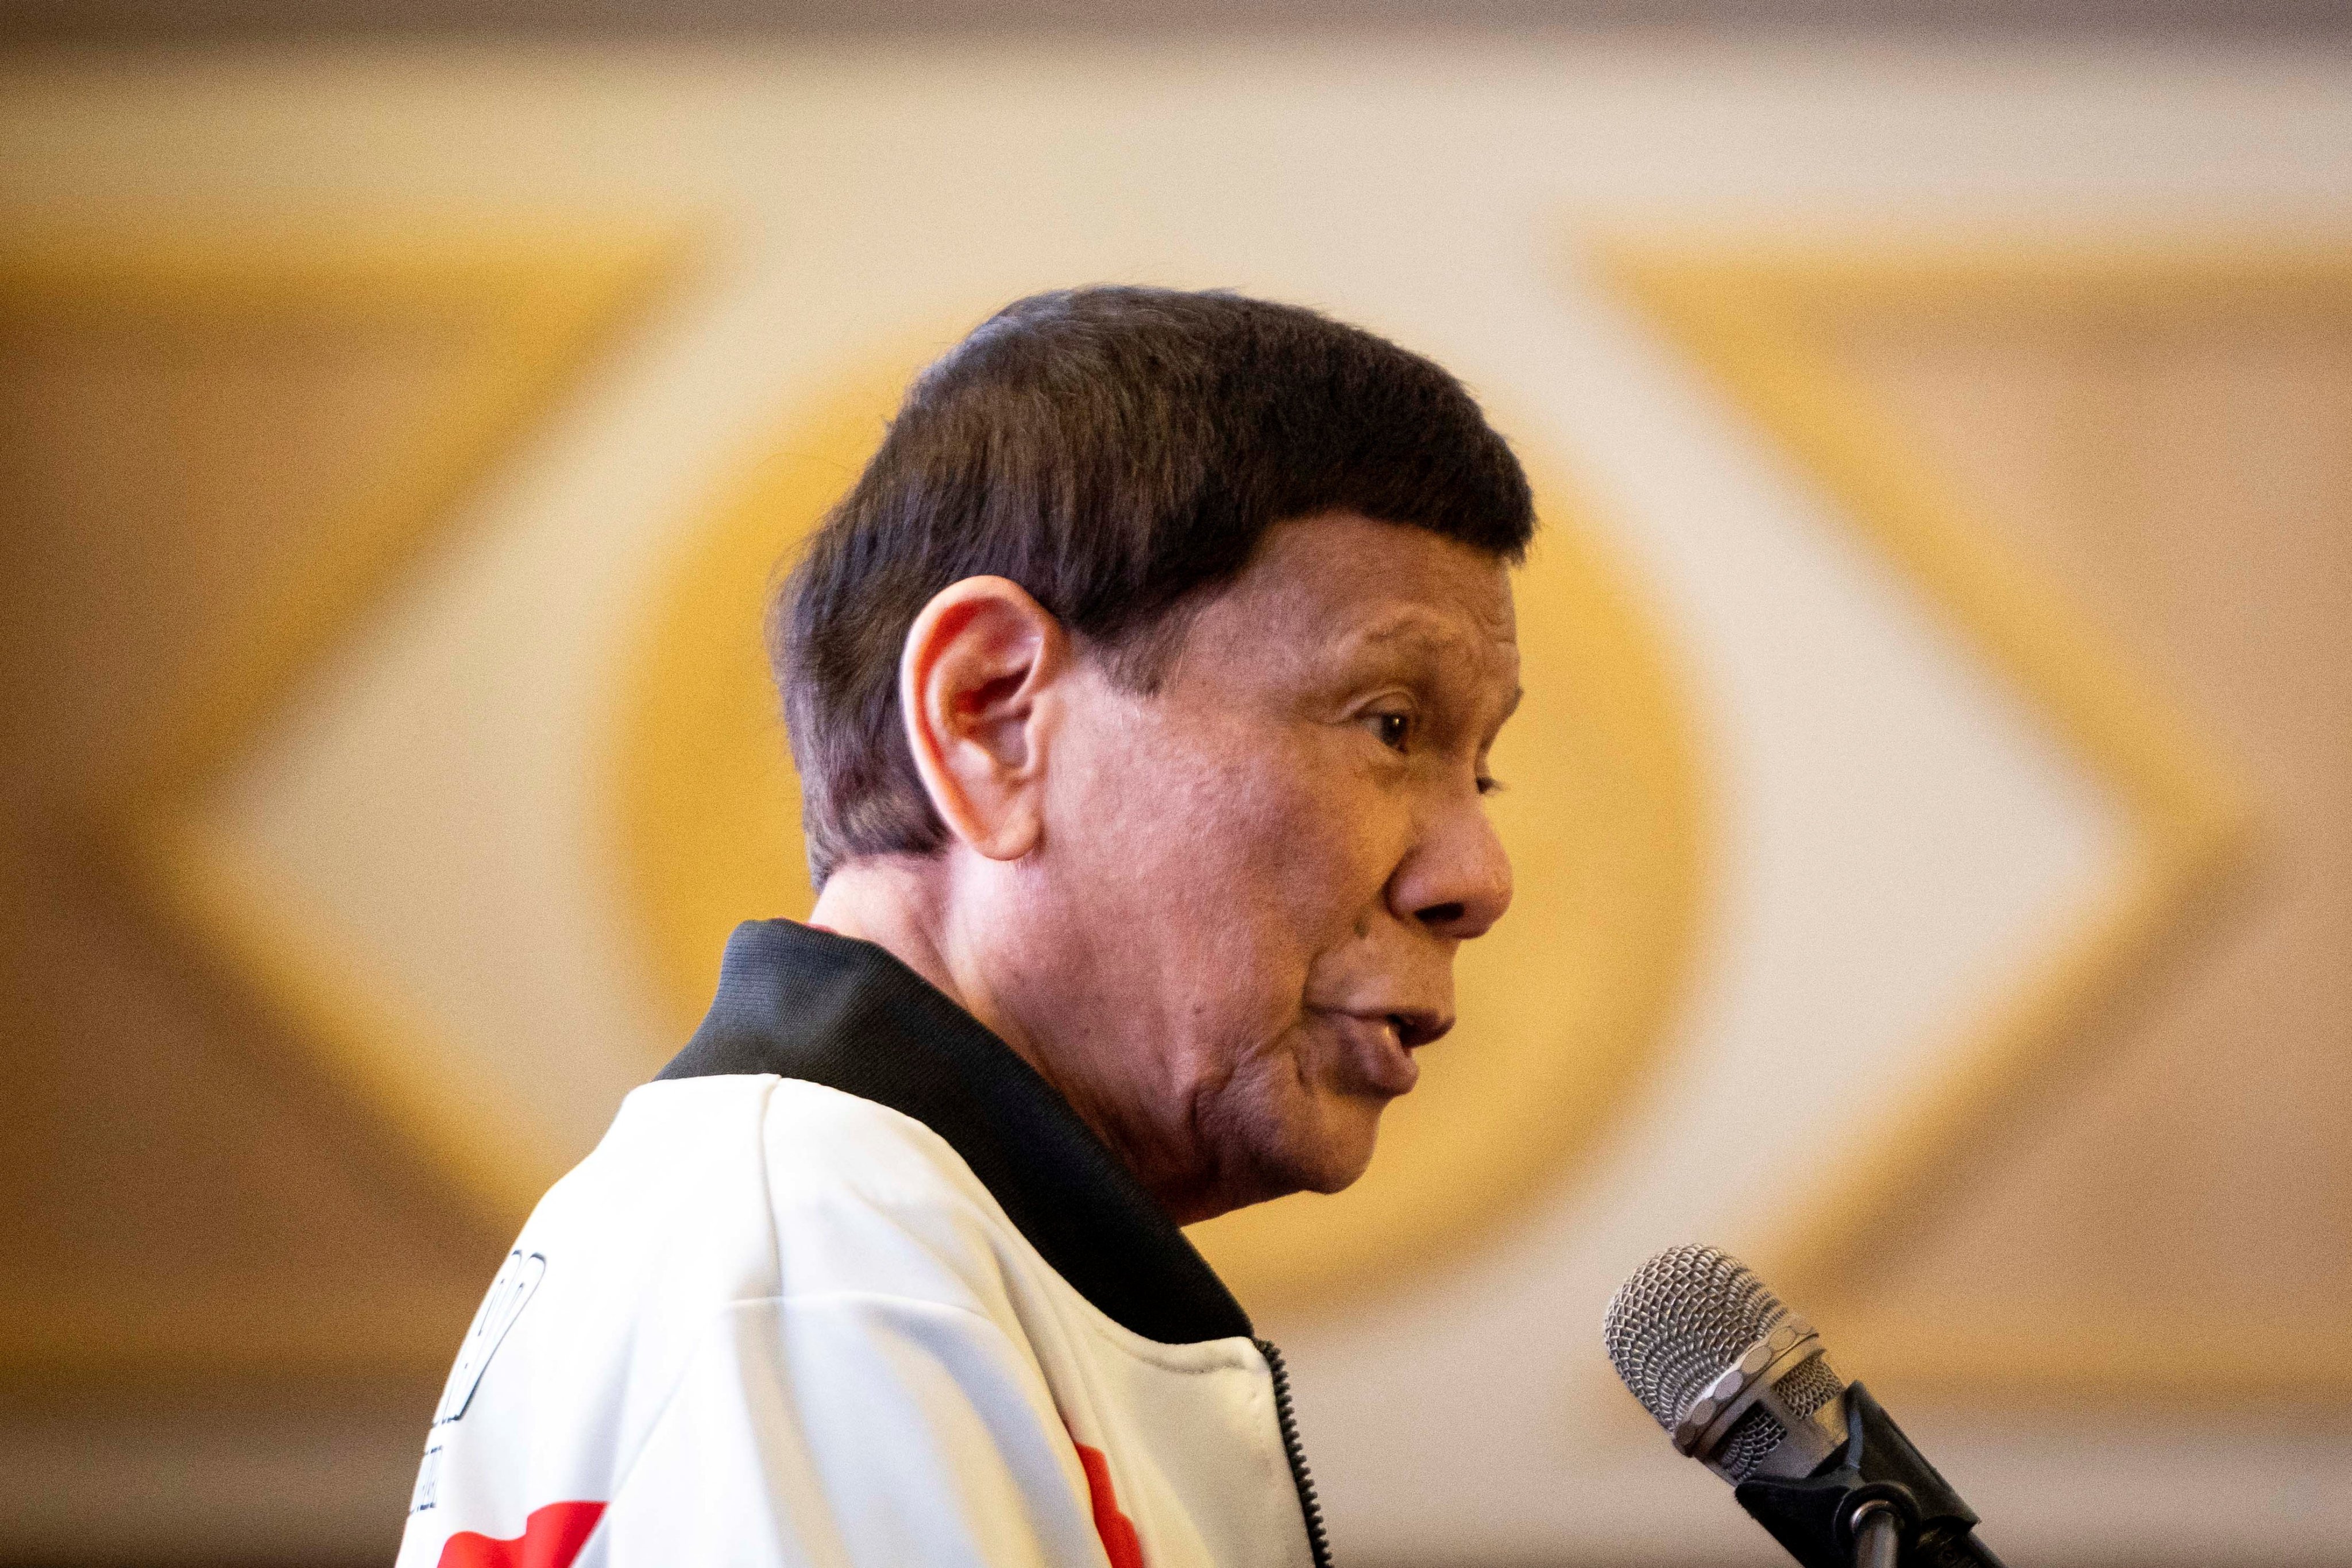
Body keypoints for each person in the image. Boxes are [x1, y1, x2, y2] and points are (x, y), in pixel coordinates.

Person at [396, 287, 1532, 1568]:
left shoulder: (866, 1248)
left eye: (1478, 769)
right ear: (991, 717)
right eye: (1389, 724)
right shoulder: (827, 1275)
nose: (1476, 876)